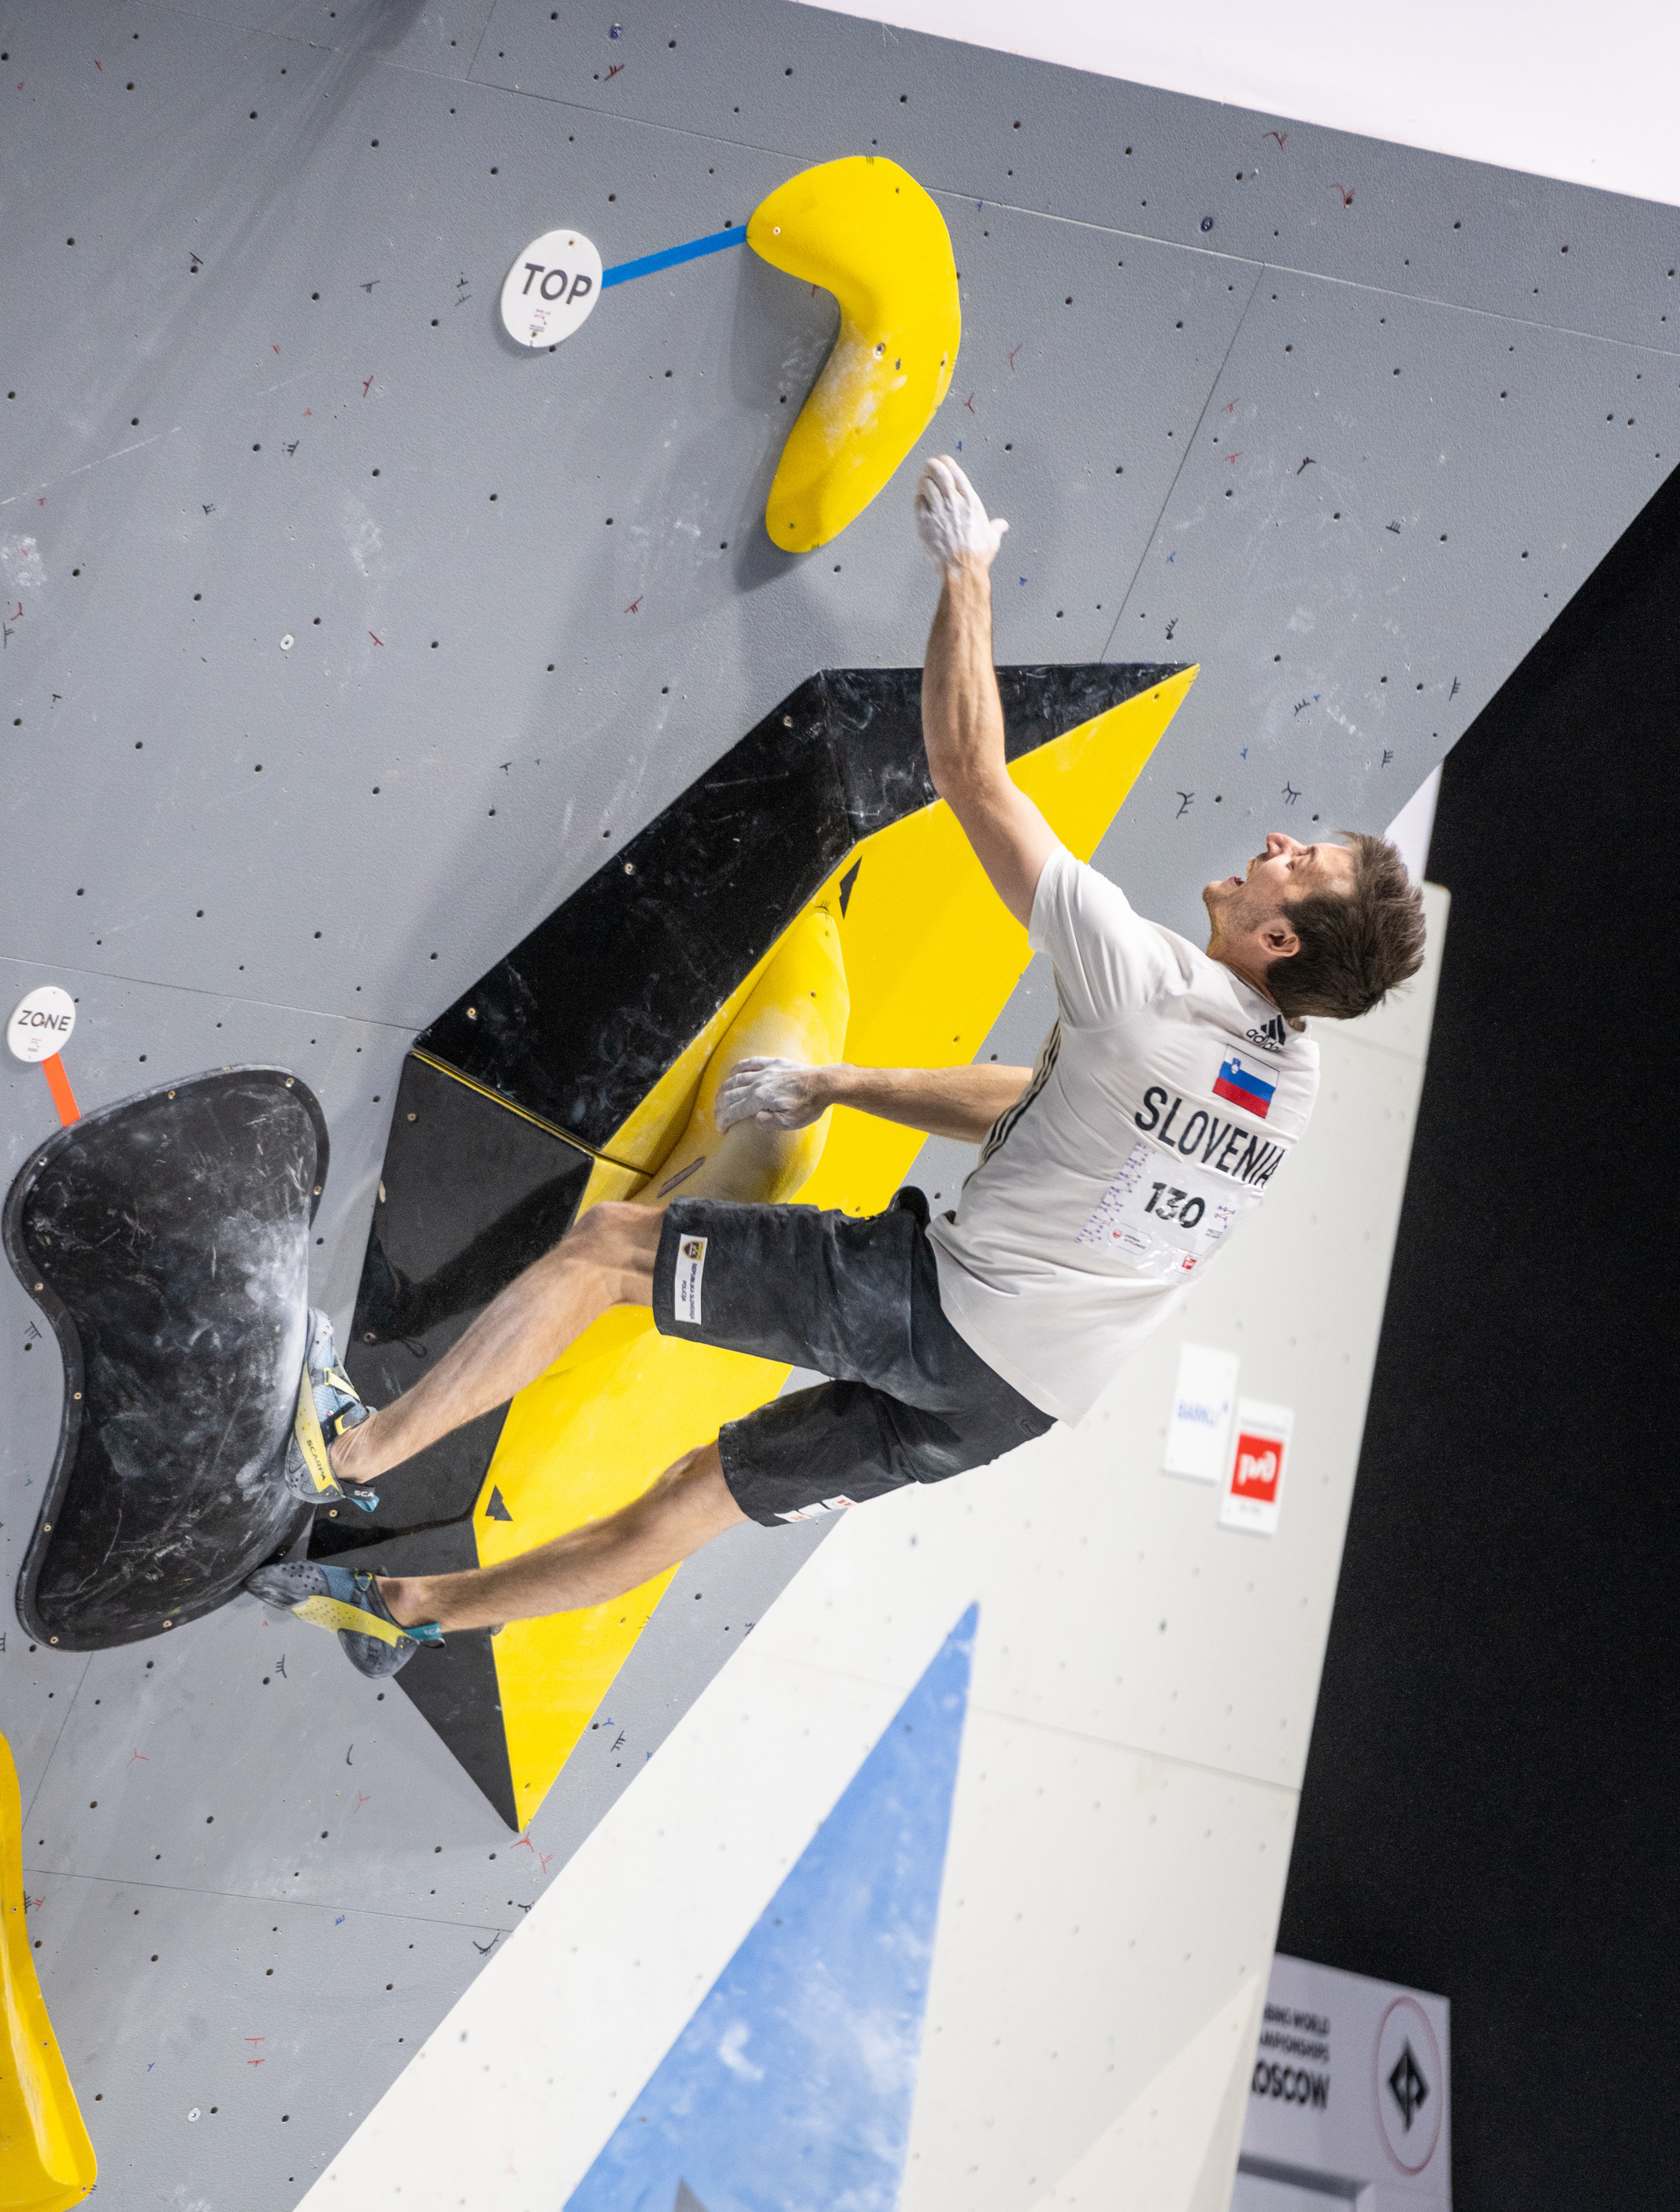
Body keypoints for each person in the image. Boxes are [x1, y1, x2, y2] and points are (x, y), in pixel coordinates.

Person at [249, 458, 1426, 1678]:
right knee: (698, 1496)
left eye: (1304, 865)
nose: (1281, 843)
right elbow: (1035, 1112)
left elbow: (972, 775)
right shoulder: (1290, 1084)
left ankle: (346, 1453)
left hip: (934, 1313)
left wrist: (965, 577)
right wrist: (838, 1083)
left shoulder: (1150, 983)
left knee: (609, 1251)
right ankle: (413, 1609)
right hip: (1008, 1407)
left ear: (1278, 939)